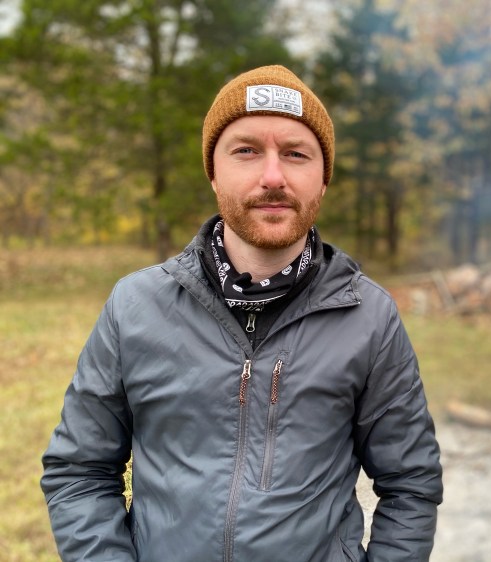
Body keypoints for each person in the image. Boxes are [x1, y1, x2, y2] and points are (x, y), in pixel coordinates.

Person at [41, 65, 443, 562]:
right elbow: (79, 472)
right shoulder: (135, 306)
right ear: (213, 172)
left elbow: (411, 484)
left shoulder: (370, 318)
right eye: (246, 151)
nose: (273, 177)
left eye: (296, 154)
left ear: (323, 180)